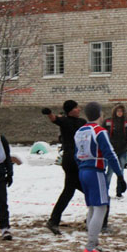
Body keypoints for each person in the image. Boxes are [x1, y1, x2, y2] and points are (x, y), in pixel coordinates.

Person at [74, 102, 127, 252]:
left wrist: (82, 167)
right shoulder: (99, 131)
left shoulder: (80, 131)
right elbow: (110, 154)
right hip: (95, 171)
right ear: (99, 114)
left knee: (92, 207)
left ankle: (94, 242)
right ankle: (90, 247)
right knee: (101, 208)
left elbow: (75, 154)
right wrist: (120, 174)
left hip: (83, 170)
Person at [41, 100, 86, 235]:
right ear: (71, 110)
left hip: (79, 159)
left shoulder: (82, 122)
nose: (79, 109)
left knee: (69, 191)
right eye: (76, 107)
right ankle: (97, 217)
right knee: (85, 190)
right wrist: (49, 113)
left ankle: (54, 220)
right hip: (71, 160)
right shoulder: (65, 121)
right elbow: (54, 119)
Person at [102, 104, 127, 198]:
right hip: (111, 150)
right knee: (109, 171)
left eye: (121, 111)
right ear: (115, 112)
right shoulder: (108, 121)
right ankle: (105, 191)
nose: (119, 113)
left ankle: (119, 191)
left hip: (123, 149)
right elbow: (103, 133)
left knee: (120, 171)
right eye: (118, 111)